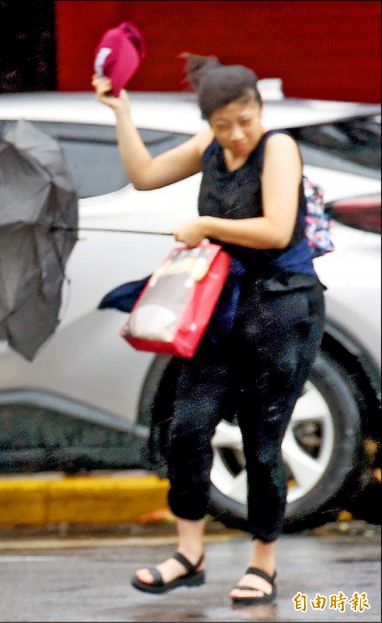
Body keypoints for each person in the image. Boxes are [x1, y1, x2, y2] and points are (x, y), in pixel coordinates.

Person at [92, 54, 326, 606]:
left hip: (282, 308)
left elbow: (274, 230)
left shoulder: (280, 148)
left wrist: (206, 226)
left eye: (246, 120)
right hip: (221, 310)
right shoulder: (208, 149)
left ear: (259, 109)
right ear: (210, 124)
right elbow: (144, 176)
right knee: (187, 428)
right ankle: (189, 554)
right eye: (224, 126)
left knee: (262, 442)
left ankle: (263, 562)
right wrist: (121, 111)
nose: (237, 135)